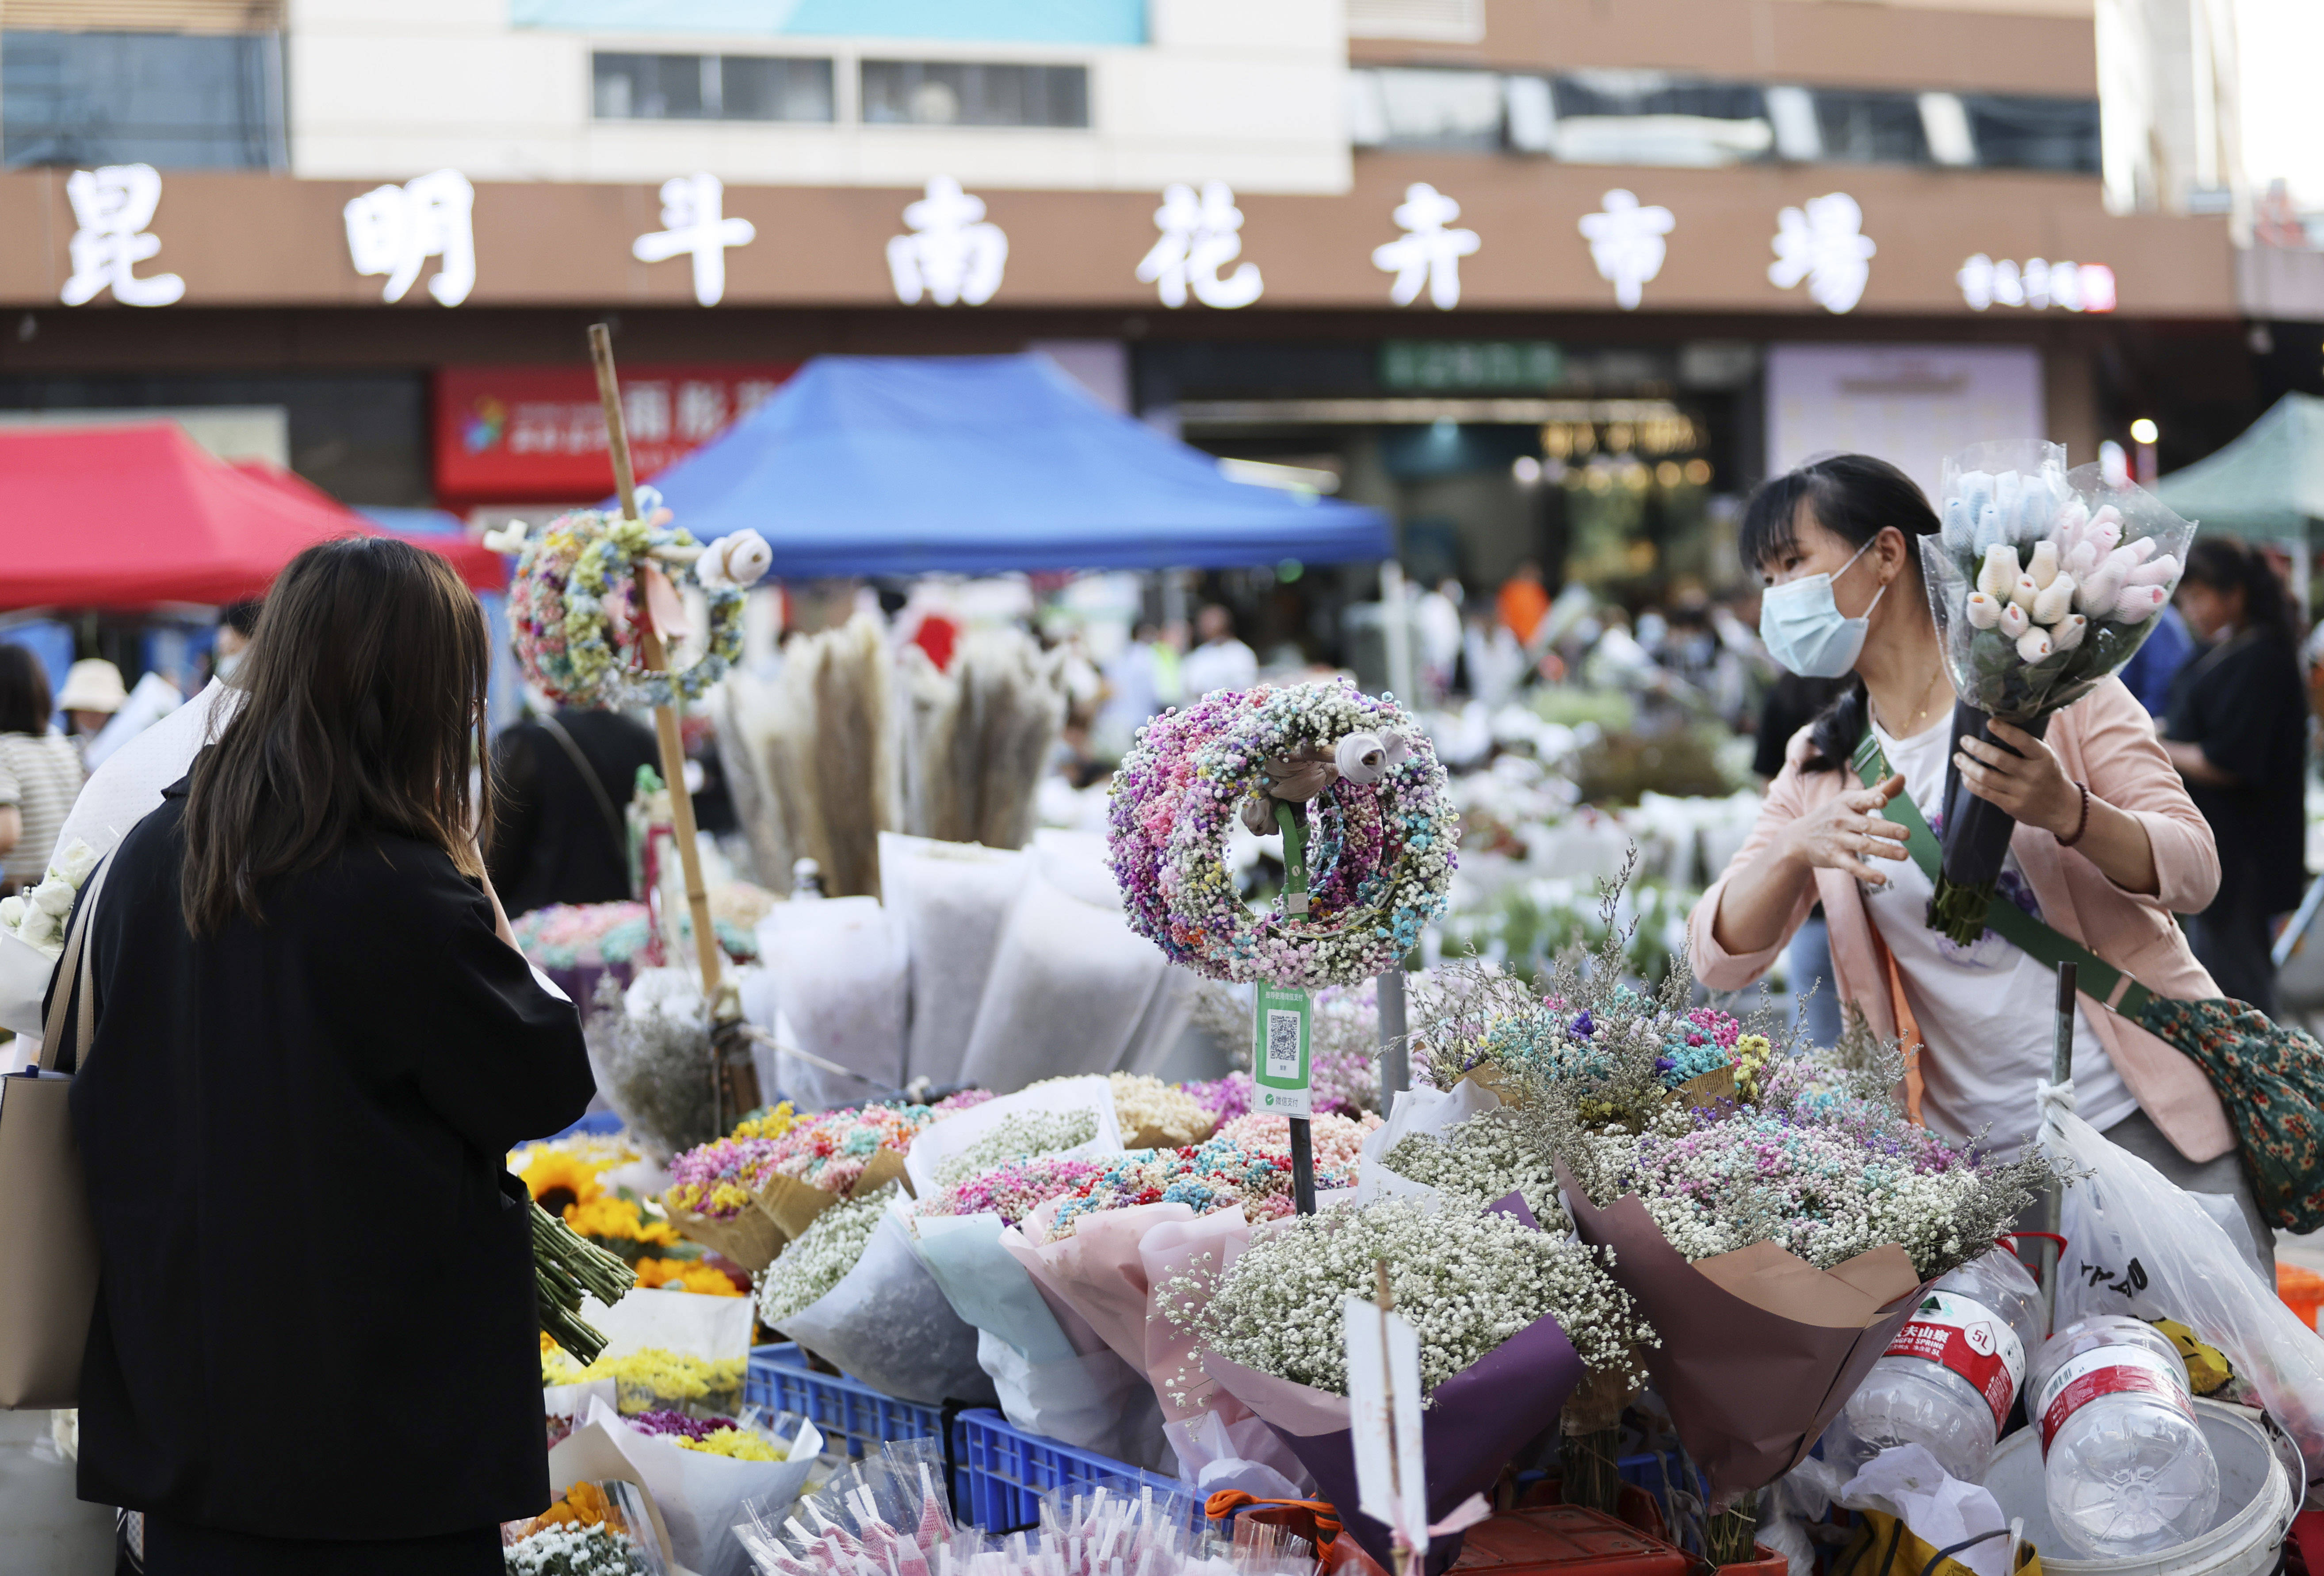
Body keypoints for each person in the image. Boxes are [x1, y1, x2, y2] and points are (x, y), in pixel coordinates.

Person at [61, 537, 593, 1573]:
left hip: (189, 1421)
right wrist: (472, 885)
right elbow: (541, 1080)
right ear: (425, 693)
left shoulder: (152, 856)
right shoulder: (398, 882)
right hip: (374, 1449)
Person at [1686, 454, 2267, 1267]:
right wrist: (1794, 850)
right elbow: (1715, 956)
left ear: (1886, 553)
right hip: (1974, 1173)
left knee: (2192, 1385)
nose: (1776, 597)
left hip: (2137, 1123)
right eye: (1766, 575)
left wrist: (2069, 812)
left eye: (1794, 564)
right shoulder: (1818, 763)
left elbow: (2194, 867)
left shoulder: (2060, 695)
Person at [2160, 538, 2309, 1015]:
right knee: (2225, 977)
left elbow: (2228, 761)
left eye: (2199, 597)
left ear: (2235, 594)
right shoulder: (2226, 649)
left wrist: (2154, 745)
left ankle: (2266, 1083)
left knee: (2239, 990)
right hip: (2218, 846)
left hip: (2242, 854)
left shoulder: (2261, 659)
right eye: (2185, 600)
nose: (2191, 610)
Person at [488, 699, 661, 917]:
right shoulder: (643, 738)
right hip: (624, 920)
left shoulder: (528, 743)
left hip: (544, 928)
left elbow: (495, 860)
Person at [0, 643, 84, 893]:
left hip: (21, 899)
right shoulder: (62, 745)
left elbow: (8, 833)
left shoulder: (5, 750)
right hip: (64, 889)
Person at [1181, 603, 1257, 697]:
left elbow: (1247, 684)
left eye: (1212, 621)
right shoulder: (1198, 656)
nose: (1208, 626)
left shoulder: (1240, 653)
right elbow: (1191, 687)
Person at [57, 657, 125, 745]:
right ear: (73, 713)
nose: (91, 718)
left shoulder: (125, 749)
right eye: (84, 710)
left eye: (98, 712)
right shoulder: (59, 749)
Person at [1496, 559, 1551, 646]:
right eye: (1529, 571)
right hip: (1517, 642)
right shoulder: (1510, 590)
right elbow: (1505, 618)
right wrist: (1521, 640)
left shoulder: (1540, 592)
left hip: (1540, 642)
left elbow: (1548, 618)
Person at [212, 598, 261, 681]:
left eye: (223, 632)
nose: (219, 639)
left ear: (239, 633)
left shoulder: (253, 662)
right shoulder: (228, 661)